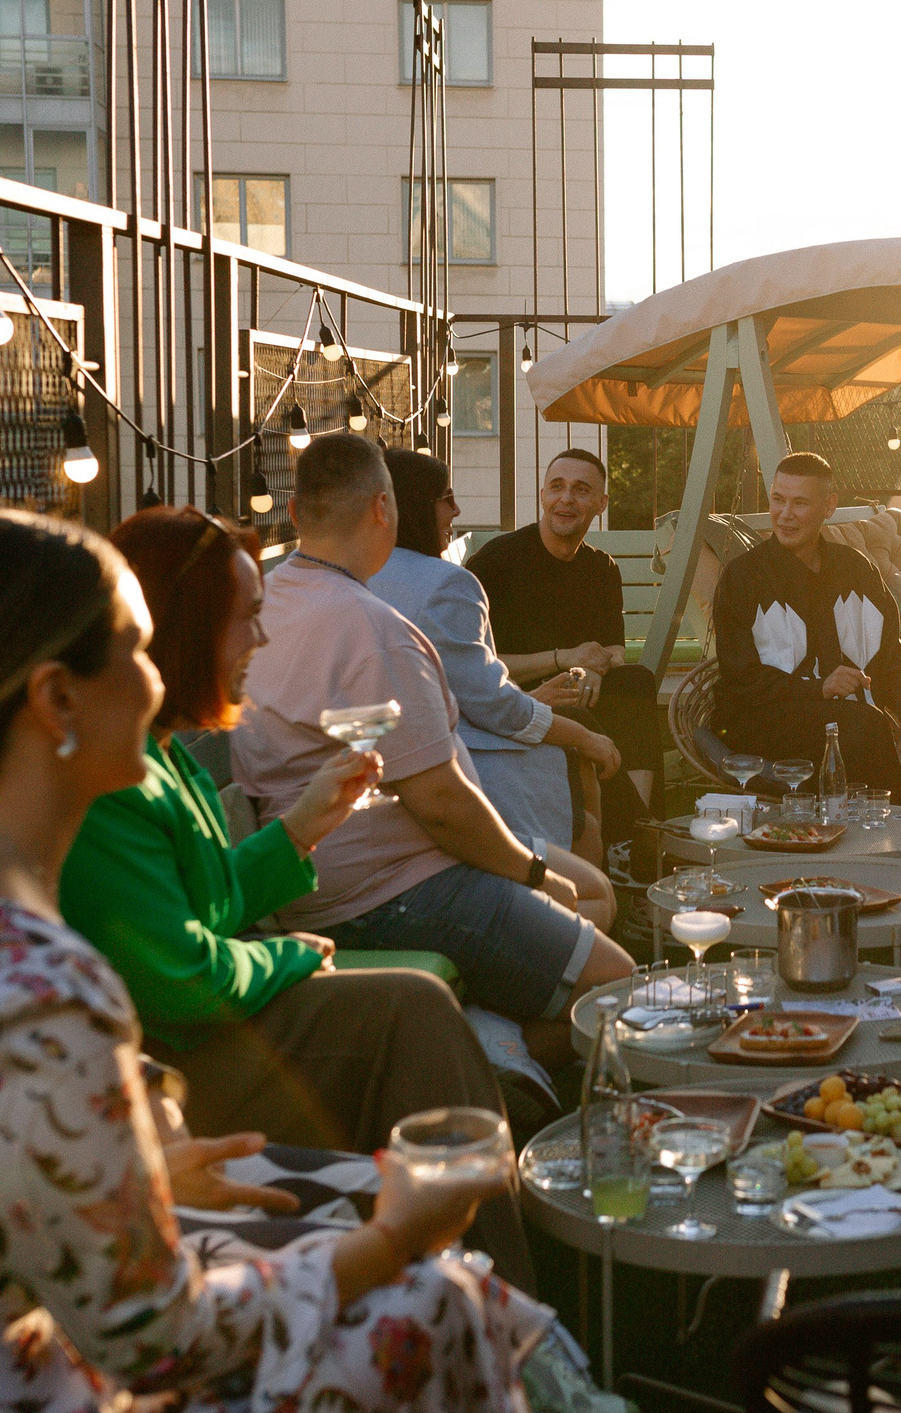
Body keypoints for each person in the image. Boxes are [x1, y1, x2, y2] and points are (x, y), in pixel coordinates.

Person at [0, 509, 549, 1413]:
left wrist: (143, 1168)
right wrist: (401, 1232)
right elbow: (161, 1341)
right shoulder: (25, 969)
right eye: (132, 647)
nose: (157, 673)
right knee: (435, 1310)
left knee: (420, 1306)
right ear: (55, 697)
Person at [58, 505, 547, 1284]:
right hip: (174, 1069)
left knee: (416, 1010)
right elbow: (182, 977)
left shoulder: (161, 749)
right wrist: (288, 954)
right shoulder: (109, 774)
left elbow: (209, 899)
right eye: (246, 618)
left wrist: (307, 822)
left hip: (197, 1035)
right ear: (182, 626)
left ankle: (481, 1273)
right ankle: (502, 1291)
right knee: (415, 1011)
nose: (262, 639)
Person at [233, 433, 633, 1032]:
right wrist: (532, 875)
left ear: (292, 515)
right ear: (384, 510)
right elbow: (441, 804)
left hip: (333, 866)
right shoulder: (375, 629)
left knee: (592, 890)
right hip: (387, 885)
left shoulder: (271, 601)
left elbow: (360, 740)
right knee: (617, 980)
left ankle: (490, 1007)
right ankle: (496, 1055)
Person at [372, 446, 621, 857]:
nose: (457, 510)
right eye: (446, 499)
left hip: (410, 749)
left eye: (581, 490)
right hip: (450, 764)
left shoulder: (362, 573)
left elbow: (456, 684)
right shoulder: (450, 582)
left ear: (600, 503)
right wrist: (577, 731)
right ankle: (609, 882)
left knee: (619, 696)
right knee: (583, 786)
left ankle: (629, 843)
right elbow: (489, 704)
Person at [709, 451, 901, 798]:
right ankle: (896, 832)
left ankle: (871, 831)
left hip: (844, 717)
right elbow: (742, 677)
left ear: (828, 506)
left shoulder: (855, 569)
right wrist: (818, 688)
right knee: (862, 726)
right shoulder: (744, 577)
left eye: (800, 503)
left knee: (858, 725)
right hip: (761, 719)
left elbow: (891, 651)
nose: (784, 515)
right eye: (778, 500)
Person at [470, 447, 664, 847]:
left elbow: (615, 648)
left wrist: (594, 669)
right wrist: (563, 658)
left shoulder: (601, 568)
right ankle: (640, 834)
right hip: (516, 699)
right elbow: (475, 663)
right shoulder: (498, 561)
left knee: (636, 682)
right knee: (580, 714)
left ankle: (633, 835)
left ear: (600, 503)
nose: (566, 499)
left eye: (580, 489)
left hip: (579, 689)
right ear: (542, 495)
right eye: (557, 487)